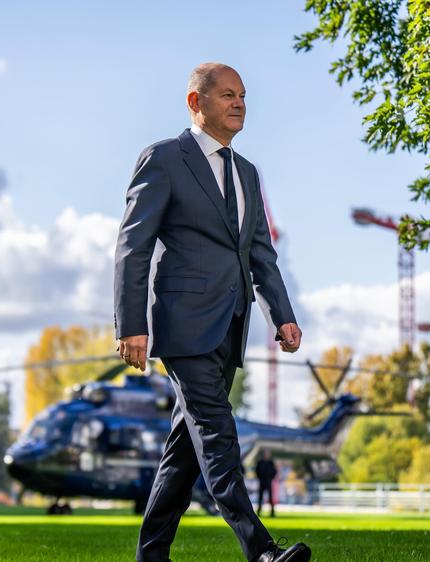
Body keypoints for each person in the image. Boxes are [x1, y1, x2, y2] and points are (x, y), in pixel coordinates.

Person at [114, 62, 311, 562]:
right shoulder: (163, 159)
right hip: (182, 324)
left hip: (232, 325)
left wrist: (281, 316)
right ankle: (260, 549)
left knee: (186, 448)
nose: (240, 103)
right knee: (218, 432)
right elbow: (132, 247)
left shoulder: (247, 173)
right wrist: (131, 324)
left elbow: (259, 253)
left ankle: (151, 554)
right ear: (195, 103)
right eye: (227, 95)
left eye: (243, 95)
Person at [255, 451, 278, 518]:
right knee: (260, 498)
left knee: (270, 498)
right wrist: (260, 478)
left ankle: (272, 513)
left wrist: (270, 478)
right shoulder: (260, 462)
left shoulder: (271, 463)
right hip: (262, 482)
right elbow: (257, 471)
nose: (266, 455)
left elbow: (274, 471)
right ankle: (259, 512)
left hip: (268, 482)